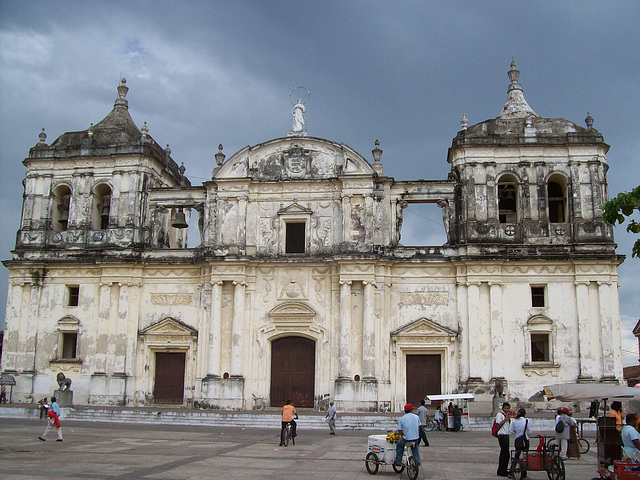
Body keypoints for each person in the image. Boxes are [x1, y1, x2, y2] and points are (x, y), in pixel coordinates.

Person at [509, 408, 532, 477]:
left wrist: (518, 432)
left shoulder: (514, 421)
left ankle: (511, 470)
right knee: (525, 456)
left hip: (518, 440)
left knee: (517, 455)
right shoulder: (526, 421)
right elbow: (529, 432)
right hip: (525, 440)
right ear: (524, 414)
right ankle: (524, 472)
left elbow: (511, 431)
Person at [495, 401, 512, 477]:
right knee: (505, 454)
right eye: (505, 408)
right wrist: (505, 419)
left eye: (508, 408)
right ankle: (503, 471)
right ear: (502, 408)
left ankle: (501, 470)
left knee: (504, 454)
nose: (507, 410)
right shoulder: (500, 415)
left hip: (506, 435)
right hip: (502, 435)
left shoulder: (506, 415)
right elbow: (498, 425)